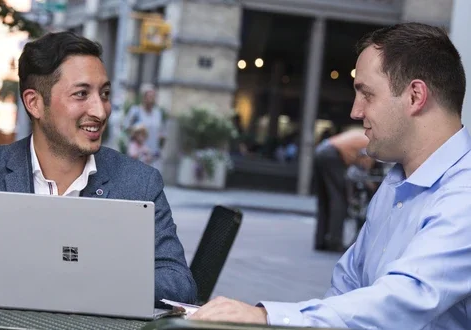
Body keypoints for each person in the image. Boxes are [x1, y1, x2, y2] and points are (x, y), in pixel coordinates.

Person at [190, 22, 471, 329]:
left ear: (416, 96)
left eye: (367, 94)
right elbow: (346, 289)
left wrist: (267, 317)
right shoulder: (395, 184)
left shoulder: (463, 194)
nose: (355, 111)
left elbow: (403, 300)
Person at [0, 31, 196, 306]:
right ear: (35, 103)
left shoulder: (141, 182)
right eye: (81, 94)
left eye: (105, 94)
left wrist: (75, 279)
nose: (100, 111)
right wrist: (72, 278)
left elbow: (178, 282)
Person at [313, 129, 369, 252]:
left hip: (321, 150)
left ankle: (320, 241)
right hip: (333, 155)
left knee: (324, 200)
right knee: (339, 199)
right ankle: (335, 241)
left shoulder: (359, 134)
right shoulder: (370, 141)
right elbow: (366, 169)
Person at [122, 84, 166, 172]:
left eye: (153, 96)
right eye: (149, 96)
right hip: (138, 154)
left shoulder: (158, 113)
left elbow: (161, 131)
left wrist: (161, 138)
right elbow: (125, 127)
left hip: (153, 154)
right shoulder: (136, 111)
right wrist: (136, 132)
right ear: (143, 97)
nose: (151, 99)